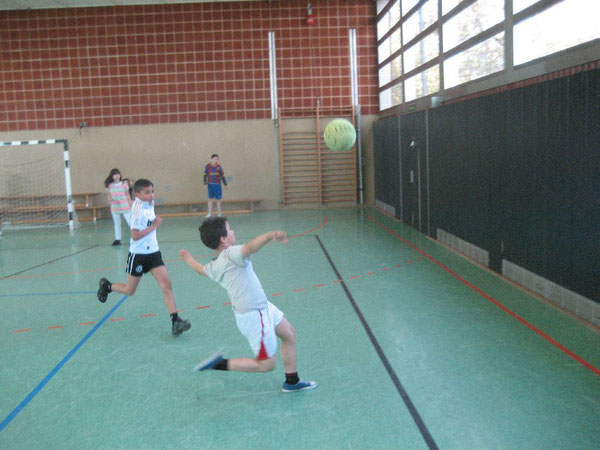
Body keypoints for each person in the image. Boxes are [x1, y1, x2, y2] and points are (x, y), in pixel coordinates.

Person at [179, 217, 317, 393]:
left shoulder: (215, 264)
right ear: (223, 238)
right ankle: (220, 364)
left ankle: (292, 381)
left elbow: (200, 269)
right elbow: (250, 248)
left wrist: (187, 258)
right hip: (254, 315)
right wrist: (269, 235)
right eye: (230, 230)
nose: (233, 232)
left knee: (288, 333)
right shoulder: (230, 254)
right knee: (266, 364)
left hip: (263, 307)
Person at [97, 179, 191, 336]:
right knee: (130, 290)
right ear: (137, 194)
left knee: (166, 285)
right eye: (147, 192)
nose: (151, 195)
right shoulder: (136, 210)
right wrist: (154, 226)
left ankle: (176, 321)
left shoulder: (150, 203)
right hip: (138, 255)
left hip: (153, 253)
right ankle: (107, 286)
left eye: (152, 191)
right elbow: (134, 235)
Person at [104, 168, 132, 246]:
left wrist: (130, 203)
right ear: (112, 176)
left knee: (130, 222)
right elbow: (109, 195)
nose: (117, 176)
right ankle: (117, 239)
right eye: (115, 174)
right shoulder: (109, 185)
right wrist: (110, 203)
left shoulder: (124, 184)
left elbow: (127, 194)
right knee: (117, 223)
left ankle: (137, 236)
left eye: (118, 174)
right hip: (115, 205)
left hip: (124, 204)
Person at [203, 154, 227, 218]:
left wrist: (225, 184)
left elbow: (222, 176)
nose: (215, 160)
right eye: (214, 159)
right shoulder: (207, 166)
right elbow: (205, 175)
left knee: (218, 199)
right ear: (211, 159)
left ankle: (219, 213)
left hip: (217, 185)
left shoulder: (219, 167)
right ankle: (209, 213)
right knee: (210, 199)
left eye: (217, 159)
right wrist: (205, 183)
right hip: (210, 185)